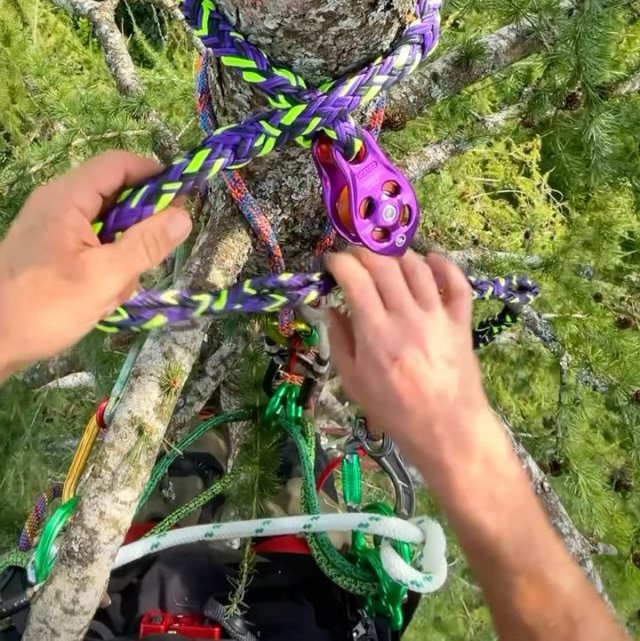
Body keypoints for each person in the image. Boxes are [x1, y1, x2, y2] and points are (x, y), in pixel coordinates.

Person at [0, 152, 628, 641]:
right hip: (303, 606)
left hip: (121, 595)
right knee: (292, 486)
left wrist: (13, 311)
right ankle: (285, 388)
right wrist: (459, 439)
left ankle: (234, 399)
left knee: (185, 458)